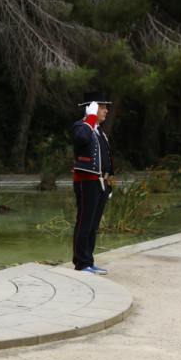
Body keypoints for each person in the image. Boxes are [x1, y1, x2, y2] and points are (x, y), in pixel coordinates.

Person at [69, 91, 113, 274]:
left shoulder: (99, 132)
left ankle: (89, 260)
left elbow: (105, 160)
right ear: (91, 108)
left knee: (94, 224)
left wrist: (108, 185)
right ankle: (81, 263)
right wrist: (91, 117)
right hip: (86, 182)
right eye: (102, 108)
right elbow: (81, 139)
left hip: (100, 183)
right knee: (84, 223)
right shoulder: (81, 126)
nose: (106, 111)